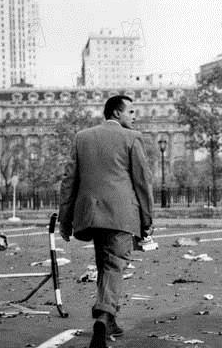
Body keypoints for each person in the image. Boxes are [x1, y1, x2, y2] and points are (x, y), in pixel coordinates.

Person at [59, 95, 153, 348]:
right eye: (130, 112)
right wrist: (147, 219)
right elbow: (142, 182)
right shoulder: (132, 138)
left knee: (104, 263)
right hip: (122, 214)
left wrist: (65, 219)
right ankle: (102, 315)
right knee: (115, 265)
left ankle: (109, 319)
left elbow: (69, 182)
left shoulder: (82, 137)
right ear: (115, 113)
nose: (134, 116)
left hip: (90, 214)